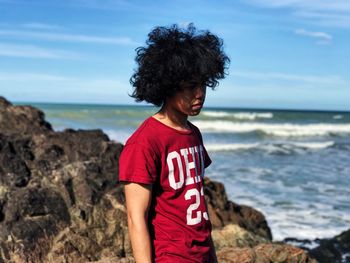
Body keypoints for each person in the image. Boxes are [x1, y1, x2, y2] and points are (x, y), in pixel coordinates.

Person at [118, 23, 229, 262]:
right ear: (167, 86)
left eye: (203, 84)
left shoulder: (193, 133)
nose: (200, 93)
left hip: (202, 254)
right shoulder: (144, 142)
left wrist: (211, 255)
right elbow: (135, 217)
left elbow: (196, 197)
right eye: (190, 87)